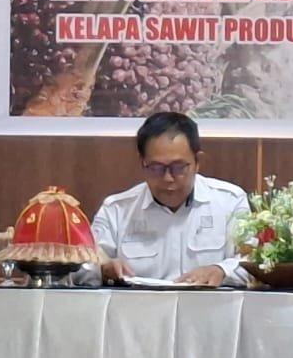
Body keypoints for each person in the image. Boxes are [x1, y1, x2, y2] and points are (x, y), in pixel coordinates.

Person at [87, 112, 249, 286]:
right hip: (139, 303)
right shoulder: (116, 210)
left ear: (197, 162)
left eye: (178, 167)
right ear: (142, 163)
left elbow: (253, 263)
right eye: (156, 168)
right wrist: (103, 269)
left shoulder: (230, 201)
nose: (168, 178)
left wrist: (221, 271)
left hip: (208, 302)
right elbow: (83, 267)